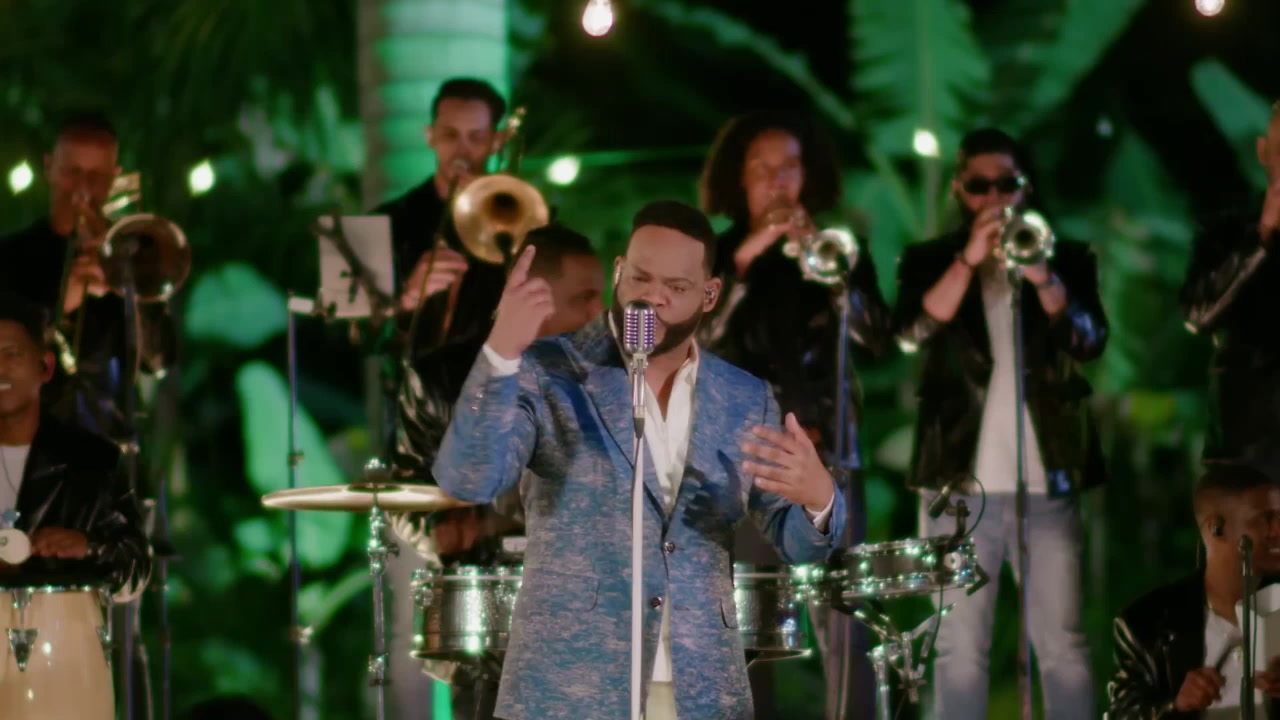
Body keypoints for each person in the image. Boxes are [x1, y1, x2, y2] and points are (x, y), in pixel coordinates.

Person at [432, 200, 847, 719]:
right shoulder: (550, 369)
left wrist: (818, 500)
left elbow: (798, 544)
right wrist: (499, 353)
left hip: (700, 687)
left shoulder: (743, 397)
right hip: (572, 685)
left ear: (709, 295)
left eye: (675, 287)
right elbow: (468, 479)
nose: (652, 297)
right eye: (641, 279)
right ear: (619, 272)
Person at [892, 128, 1108, 720]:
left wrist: (1042, 277)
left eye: (1006, 184)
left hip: (1047, 483)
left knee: (1063, 646)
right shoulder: (929, 259)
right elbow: (910, 332)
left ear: (1025, 187)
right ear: (960, 190)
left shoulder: (1066, 258)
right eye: (980, 185)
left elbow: (1089, 342)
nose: (994, 197)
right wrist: (968, 259)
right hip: (955, 487)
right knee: (959, 650)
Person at [697, 109, 893, 719]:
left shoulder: (836, 249)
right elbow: (697, 338)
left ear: (809, 175)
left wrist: (828, 269)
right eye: (762, 168)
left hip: (826, 456)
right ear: (740, 177)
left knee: (844, 623)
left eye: (789, 167)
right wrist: (748, 257)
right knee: (747, 629)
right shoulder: (718, 255)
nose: (777, 181)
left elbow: (876, 338)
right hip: (740, 464)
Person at [387, 222, 604, 720]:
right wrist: (438, 529)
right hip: (482, 624)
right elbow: (403, 490)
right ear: (534, 298)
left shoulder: (612, 380)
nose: (599, 313)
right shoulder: (439, 377)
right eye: (585, 298)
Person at [0, 111, 177, 443]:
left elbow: (158, 360)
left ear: (115, 177)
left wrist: (126, 285)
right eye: (72, 172)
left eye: (96, 176)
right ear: (49, 167)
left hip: (106, 449)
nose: (83, 188)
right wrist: (62, 303)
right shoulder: (10, 257)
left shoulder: (131, 261)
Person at [0, 291, 151, 594]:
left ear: (45, 366)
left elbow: (134, 567)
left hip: (56, 622)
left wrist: (90, 547)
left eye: (11, 354)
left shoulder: (93, 462)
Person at [1107, 464, 1280, 718]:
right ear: (1216, 528)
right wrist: (1175, 705)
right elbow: (1121, 713)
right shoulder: (1147, 625)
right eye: (1266, 519)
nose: (1278, 530)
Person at [373, 77, 512, 352]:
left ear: (496, 142)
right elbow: (359, 337)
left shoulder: (522, 219)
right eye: (450, 135)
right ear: (430, 136)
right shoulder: (386, 220)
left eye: (476, 137)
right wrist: (409, 296)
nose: (462, 151)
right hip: (416, 375)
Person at [1181, 101, 1280, 481]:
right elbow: (1198, 315)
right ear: (1263, 152)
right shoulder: (1226, 233)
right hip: (1246, 464)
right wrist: (1263, 236)